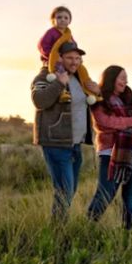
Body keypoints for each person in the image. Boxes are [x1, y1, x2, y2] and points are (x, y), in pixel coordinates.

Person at [31, 41, 94, 225]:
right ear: (59, 58)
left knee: (70, 190)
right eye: (69, 58)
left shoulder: (78, 79)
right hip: (56, 142)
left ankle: (58, 227)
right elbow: (39, 100)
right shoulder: (46, 76)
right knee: (64, 190)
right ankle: (58, 232)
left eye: (77, 58)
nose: (74, 62)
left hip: (75, 143)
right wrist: (59, 83)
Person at [87, 65, 132, 229]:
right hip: (111, 152)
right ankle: (87, 228)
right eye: (122, 77)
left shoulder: (131, 98)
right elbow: (105, 122)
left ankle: (128, 234)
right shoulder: (99, 99)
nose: (126, 81)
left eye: (126, 78)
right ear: (112, 78)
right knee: (105, 195)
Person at [38, 5, 101, 103]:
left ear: (70, 21)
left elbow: (74, 46)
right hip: (52, 61)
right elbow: (42, 45)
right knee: (60, 73)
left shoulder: (69, 35)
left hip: (62, 61)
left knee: (83, 72)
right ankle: (63, 93)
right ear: (53, 20)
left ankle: (90, 93)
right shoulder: (51, 32)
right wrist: (54, 56)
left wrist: (79, 58)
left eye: (66, 18)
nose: (62, 20)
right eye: (59, 17)